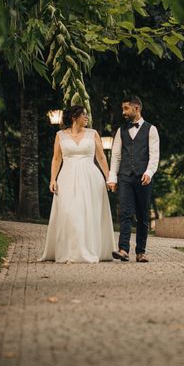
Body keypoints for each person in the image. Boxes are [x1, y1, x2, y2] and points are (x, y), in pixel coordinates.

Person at [39, 105, 116, 263]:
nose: (87, 117)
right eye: (84, 115)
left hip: (91, 178)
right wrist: (53, 179)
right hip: (67, 178)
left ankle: (88, 250)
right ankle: (70, 250)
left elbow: (101, 158)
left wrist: (109, 178)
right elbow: (56, 158)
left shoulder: (93, 134)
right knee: (69, 213)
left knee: (88, 213)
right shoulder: (60, 135)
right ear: (74, 117)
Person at [107, 96, 159, 263]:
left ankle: (140, 252)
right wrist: (112, 177)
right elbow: (115, 156)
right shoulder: (121, 130)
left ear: (137, 109)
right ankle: (123, 250)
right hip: (125, 177)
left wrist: (149, 173)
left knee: (143, 216)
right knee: (125, 213)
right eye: (123, 109)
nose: (123, 112)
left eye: (126, 109)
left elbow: (154, 155)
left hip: (143, 178)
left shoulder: (151, 129)